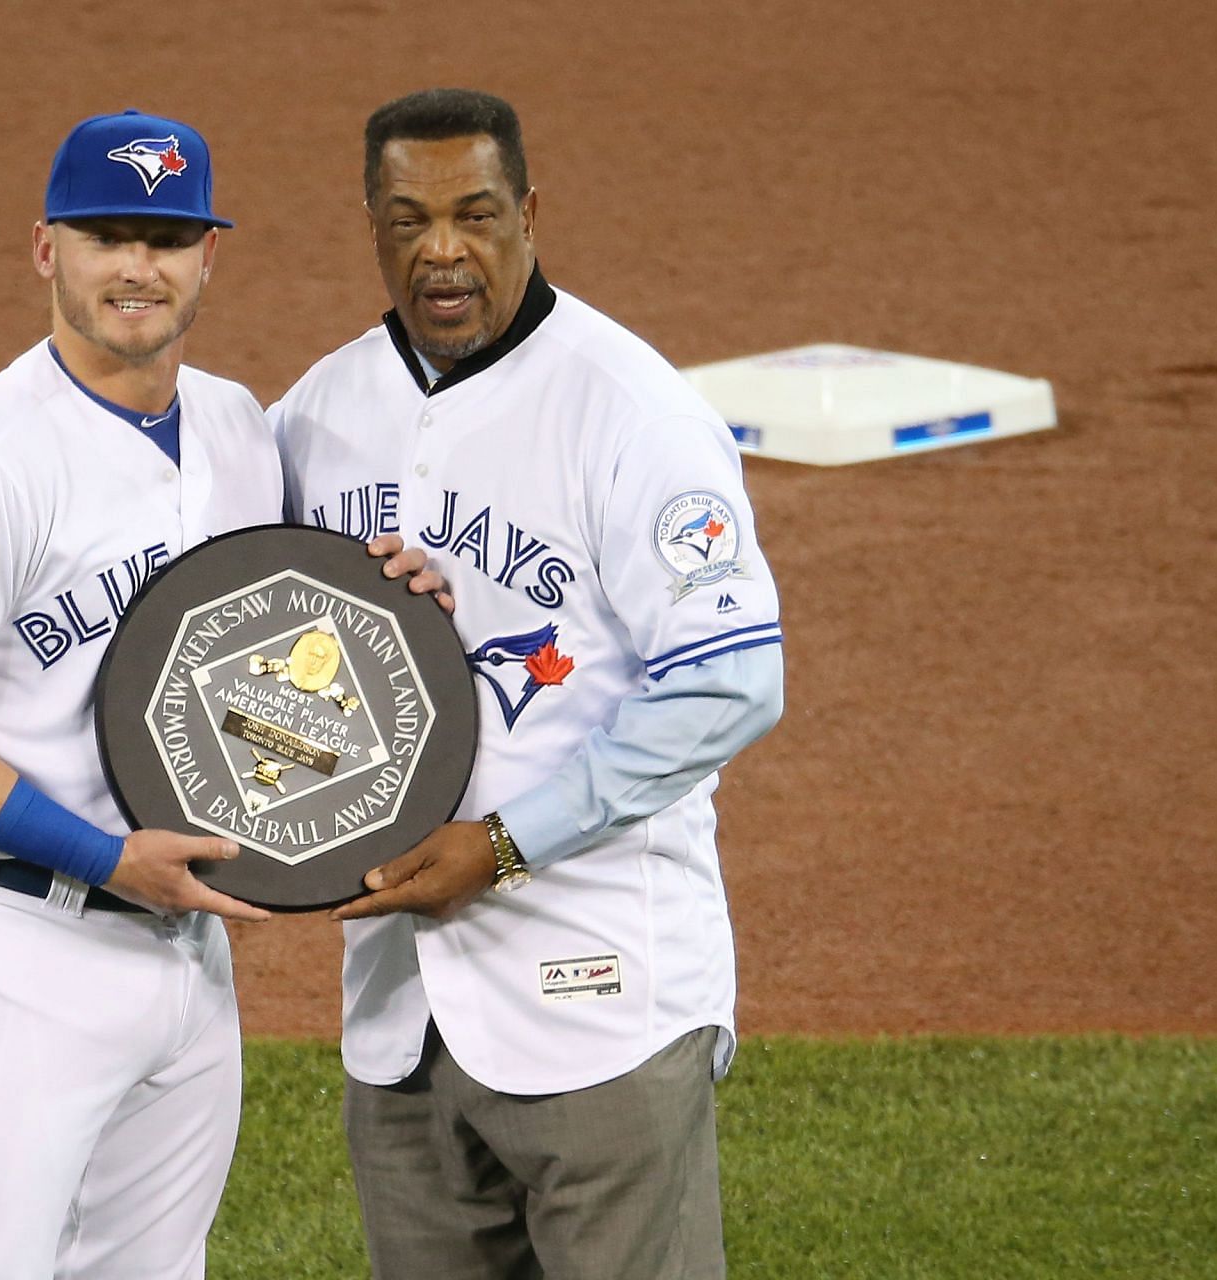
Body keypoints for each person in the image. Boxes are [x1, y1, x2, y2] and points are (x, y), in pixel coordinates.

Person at [0, 108, 438, 1280]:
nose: (137, 267)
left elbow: (292, 630)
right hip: (19, 943)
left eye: (167, 239)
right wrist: (106, 858)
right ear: (45, 248)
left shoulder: (234, 426)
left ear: (208, 256)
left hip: (187, 957)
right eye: (107, 235)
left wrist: (398, 597)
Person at [272, 88, 786, 1278]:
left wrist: (503, 841)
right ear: (370, 226)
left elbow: (731, 684)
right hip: (402, 1020)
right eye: (407, 221)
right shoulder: (319, 413)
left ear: (530, 214)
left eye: (474, 215)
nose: (441, 251)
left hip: (603, 998)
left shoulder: (633, 412)